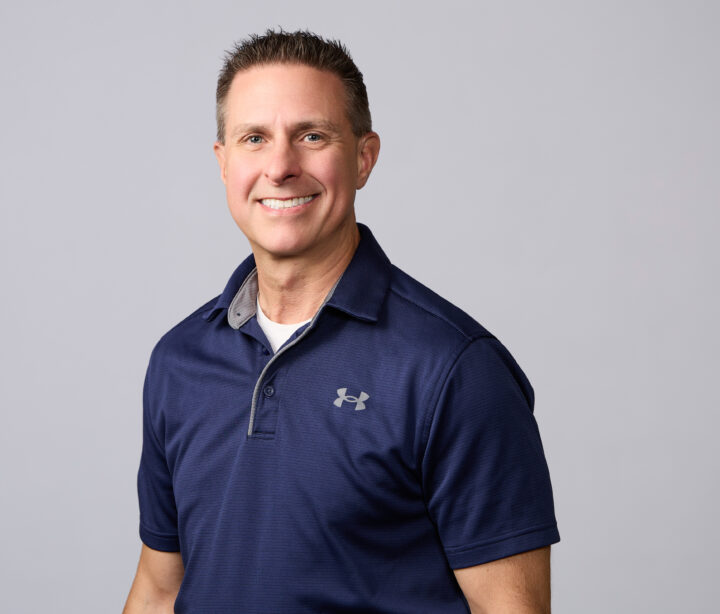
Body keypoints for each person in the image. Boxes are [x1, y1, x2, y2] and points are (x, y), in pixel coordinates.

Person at [122, 29, 559, 614]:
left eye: (311, 135)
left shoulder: (453, 369)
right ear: (224, 163)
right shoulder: (179, 361)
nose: (280, 166)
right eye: (254, 138)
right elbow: (159, 590)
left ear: (363, 157)